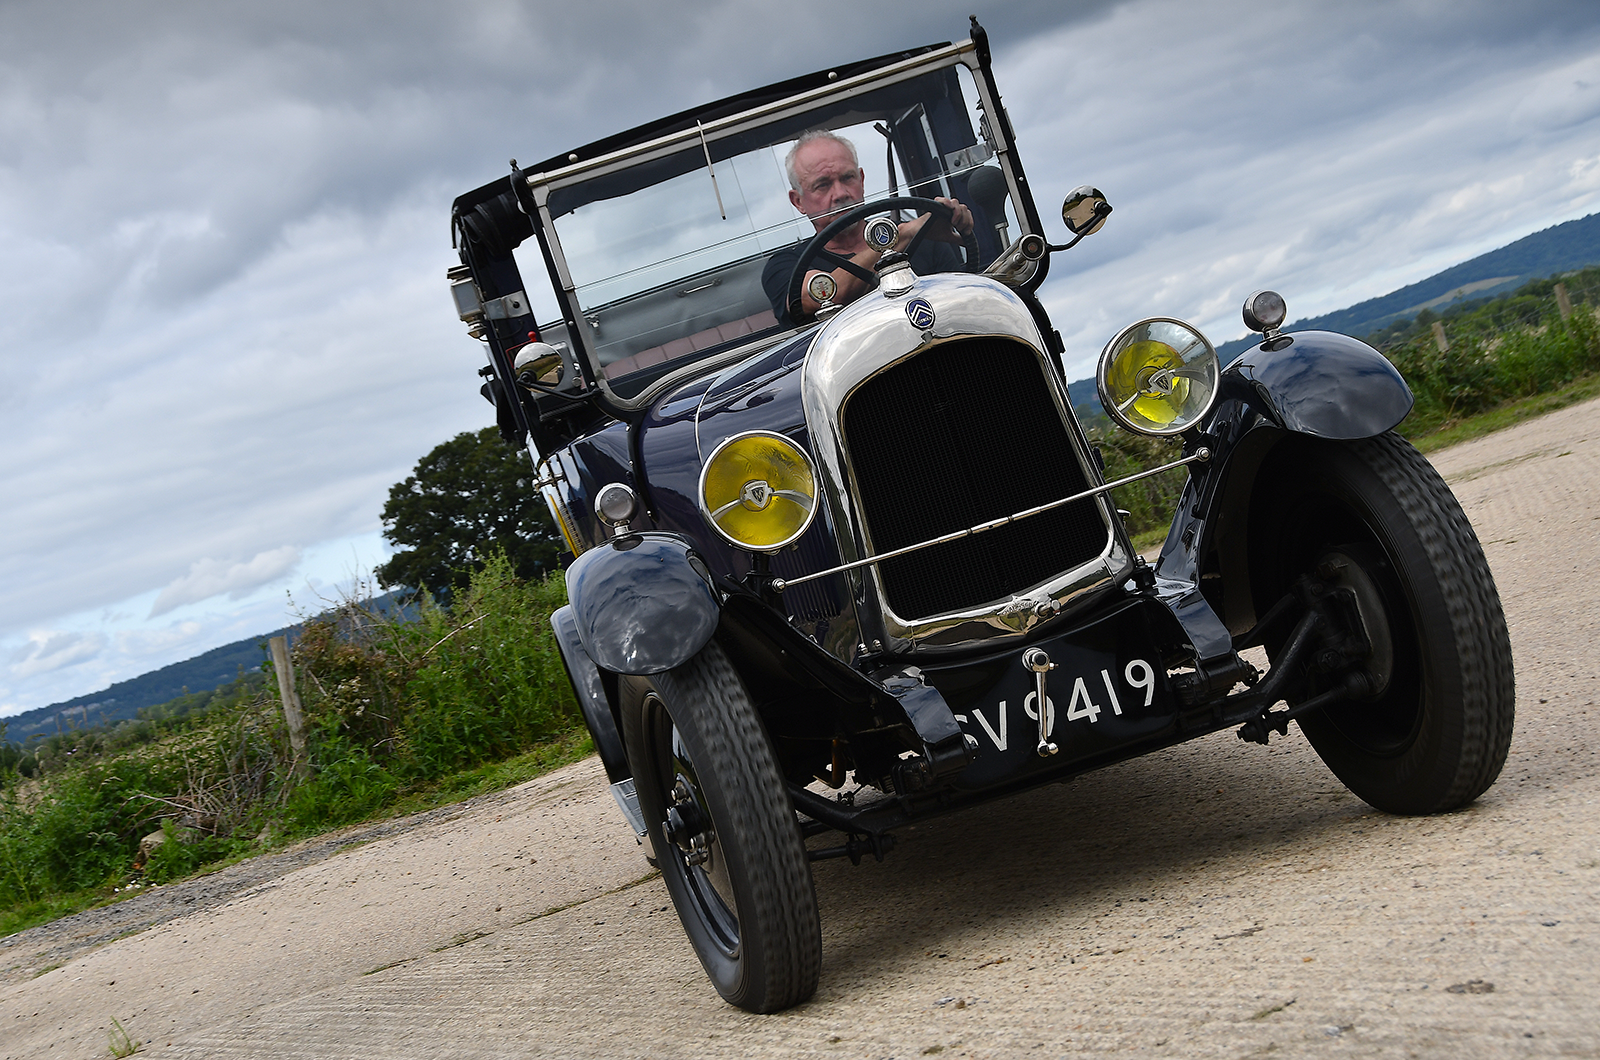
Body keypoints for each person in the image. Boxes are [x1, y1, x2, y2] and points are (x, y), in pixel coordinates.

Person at [761, 129, 975, 328]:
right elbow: (829, 292)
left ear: (861, 180)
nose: (840, 194)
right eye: (823, 185)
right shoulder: (785, 267)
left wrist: (955, 221)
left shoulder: (925, 241)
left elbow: (960, 307)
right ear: (798, 201)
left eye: (847, 178)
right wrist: (905, 233)